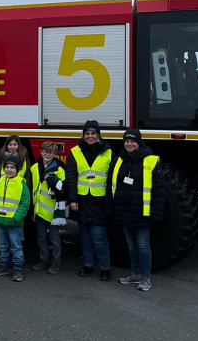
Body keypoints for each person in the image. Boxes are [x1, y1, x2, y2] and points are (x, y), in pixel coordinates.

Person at [108, 129, 165, 292]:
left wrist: (156, 214)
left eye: (133, 141)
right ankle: (135, 274)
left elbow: (159, 191)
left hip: (143, 213)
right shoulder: (118, 161)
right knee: (131, 245)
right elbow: (111, 188)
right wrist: (111, 209)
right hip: (124, 211)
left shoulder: (151, 161)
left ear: (139, 143)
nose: (129, 144)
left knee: (143, 244)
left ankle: (145, 277)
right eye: (126, 141)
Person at [65, 120, 113, 281]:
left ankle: (105, 268)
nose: (90, 136)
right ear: (83, 135)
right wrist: (72, 199)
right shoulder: (75, 152)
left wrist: (109, 201)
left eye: (93, 133)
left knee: (99, 235)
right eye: (87, 133)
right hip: (82, 200)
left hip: (99, 200)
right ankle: (88, 266)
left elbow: (112, 179)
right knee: (85, 235)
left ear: (98, 135)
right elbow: (71, 177)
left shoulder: (108, 152)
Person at [0, 155, 30, 282]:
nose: (9, 170)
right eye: (7, 167)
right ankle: (3, 267)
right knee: (3, 246)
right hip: (1, 222)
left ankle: (18, 270)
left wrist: (16, 217)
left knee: (16, 247)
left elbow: (25, 203)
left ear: (17, 169)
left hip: (14, 223)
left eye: (12, 167)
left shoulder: (22, 185)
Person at [30, 141, 67, 275]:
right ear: (41, 152)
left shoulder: (59, 170)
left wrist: (55, 182)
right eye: (45, 151)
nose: (47, 154)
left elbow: (63, 190)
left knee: (54, 237)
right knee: (41, 237)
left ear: (55, 154)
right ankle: (43, 260)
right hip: (39, 209)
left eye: (50, 152)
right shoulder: (34, 167)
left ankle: (56, 262)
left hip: (53, 210)